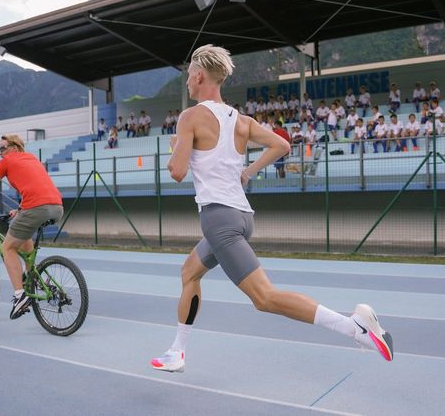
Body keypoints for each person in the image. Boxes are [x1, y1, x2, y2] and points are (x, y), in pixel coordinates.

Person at [150, 44, 393, 373]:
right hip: (241, 217)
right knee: (189, 272)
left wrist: (179, 147)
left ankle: (355, 327)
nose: (188, 84)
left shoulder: (190, 117)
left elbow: (177, 173)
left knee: (264, 298)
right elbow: (281, 144)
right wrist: (248, 172)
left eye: (190, 78)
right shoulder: (241, 120)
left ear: (198, 75)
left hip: (219, 220)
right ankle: (177, 352)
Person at [0, 134, 63, 320]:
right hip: (56, 206)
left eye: (2, 148)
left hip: (36, 208)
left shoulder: (6, 161)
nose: (0, 153)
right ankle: (31, 277)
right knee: (22, 236)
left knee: (7, 247)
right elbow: (36, 186)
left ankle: (20, 296)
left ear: (15, 147)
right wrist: (21, 208)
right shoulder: (31, 158)